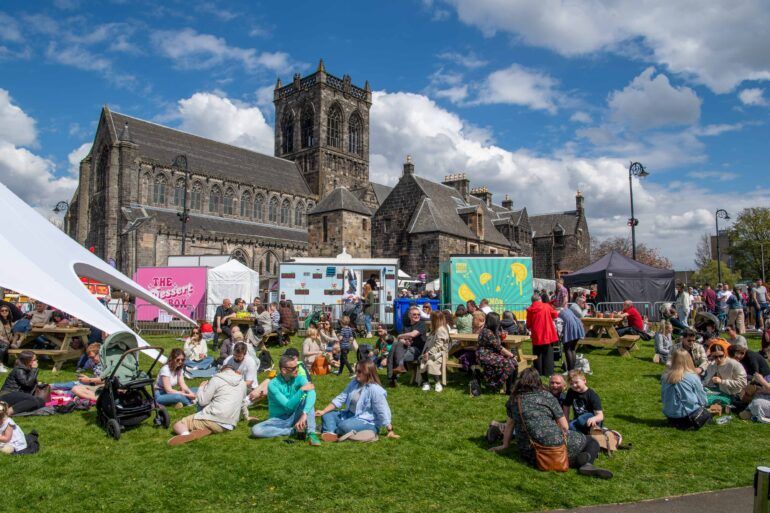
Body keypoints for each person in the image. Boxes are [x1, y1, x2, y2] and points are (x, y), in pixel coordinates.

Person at [489, 367, 612, 479]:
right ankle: (585, 463)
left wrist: (505, 445)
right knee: (591, 441)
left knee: (558, 449)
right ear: (538, 381)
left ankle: (577, 460)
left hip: (529, 451)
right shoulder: (547, 396)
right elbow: (564, 426)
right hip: (554, 443)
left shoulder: (514, 399)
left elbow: (510, 424)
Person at [316, 360, 398, 442]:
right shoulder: (354, 383)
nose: (356, 373)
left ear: (368, 373)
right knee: (327, 415)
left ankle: (329, 428)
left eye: (359, 371)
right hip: (350, 416)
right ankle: (331, 434)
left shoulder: (375, 389)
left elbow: (382, 410)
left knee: (344, 426)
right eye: (356, 370)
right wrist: (323, 411)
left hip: (367, 421)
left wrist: (389, 429)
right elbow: (340, 398)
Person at [168, 361, 247, 445]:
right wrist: (246, 416)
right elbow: (242, 403)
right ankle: (206, 430)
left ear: (221, 371)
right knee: (211, 423)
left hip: (214, 418)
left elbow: (202, 401)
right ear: (234, 371)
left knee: (178, 424)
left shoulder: (216, 379)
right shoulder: (242, 383)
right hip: (230, 425)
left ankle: (186, 435)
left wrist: (201, 387)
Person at [250, 355, 320, 446]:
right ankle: (292, 431)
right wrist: (301, 390)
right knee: (256, 430)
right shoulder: (273, 385)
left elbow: (312, 393)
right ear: (284, 370)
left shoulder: (300, 378)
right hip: (278, 419)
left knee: (308, 400)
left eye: (297, 366)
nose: (297, 369)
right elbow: (288, 406)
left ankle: (311, 433)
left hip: (295, 415)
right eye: (294, 368)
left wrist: (304, 413)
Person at [661, 348, 710, 429]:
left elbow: (663, 396)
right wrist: (705, 405)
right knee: (707, 415)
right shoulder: (692, 377)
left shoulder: (665, 376)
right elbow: (702, 398)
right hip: (687, 416)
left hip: (670, 415)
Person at [476, 312, 517, 393]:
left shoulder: (492, 331)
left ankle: (511, 387)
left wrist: (500, 336)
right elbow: (499, 348)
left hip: (492, 354)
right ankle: (499, 386)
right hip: (485, 356)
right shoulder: (487, 332)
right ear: (494, 322)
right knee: (509, 364)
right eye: (498, 320)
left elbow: (496, 344)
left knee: (514, 363)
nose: (499, 322)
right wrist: (512, 355)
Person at [387, 307, 427, 387]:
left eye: (418, 314)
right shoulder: (406, 326)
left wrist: (399, 336)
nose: (417, 316)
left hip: (417, 351)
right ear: (409, 315)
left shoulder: (421, 324)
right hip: (406, 348)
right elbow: (401, 340)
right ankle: (397, 370)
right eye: (414, 314)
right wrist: (405, 341)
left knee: (394, 355)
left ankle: (392, 376)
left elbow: (413, 334)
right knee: (395, 345)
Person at [0, 351, 45, 415]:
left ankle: (15, 407)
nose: (37, 361)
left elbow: (30, 383)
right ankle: (7, 412)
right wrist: (34, 369)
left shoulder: (27, 369)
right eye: (34, 360)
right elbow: (27, 383)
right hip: (8, 394)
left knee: (41, 401)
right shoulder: (19, 370)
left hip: (18, 394)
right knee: (32, 400)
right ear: (28, 361)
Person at [526, 294, 558, 377]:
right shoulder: (546, 306)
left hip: (537, 333)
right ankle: (548, 372)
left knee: (537, 353)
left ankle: (538, 371)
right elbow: (555, 314)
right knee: (548, 353)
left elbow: (528, 324)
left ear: (532, 301)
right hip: (547, 331)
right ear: (540, 299)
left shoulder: (530, 309)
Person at [420, 311, 450, 392]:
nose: (430, 320)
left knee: (430, 363)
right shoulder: (434, 329)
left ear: (435, 319)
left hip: (440, 354)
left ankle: (437, 383)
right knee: (422, 361)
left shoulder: (441, 329)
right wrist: (425, 353)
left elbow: (439, 345)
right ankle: (426, 382)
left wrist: (429, 353)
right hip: (431, 352)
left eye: (431, 318)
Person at [558, 306, 584, 372]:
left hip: (571, 326)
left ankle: (570, 369)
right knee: (572, 348)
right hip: (577, 324)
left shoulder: (559, 311)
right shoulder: (566, 309)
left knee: (568, 349)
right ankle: (572, 369)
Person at [0, 305, 16, 373]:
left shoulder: (10, 322)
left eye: (6, 310)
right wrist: (4, 339)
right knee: (4, 345)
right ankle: (0, 365)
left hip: (7, 341)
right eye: (2, 310)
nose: (4, 311)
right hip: (2, 340)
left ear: (9, 312)